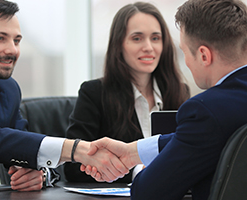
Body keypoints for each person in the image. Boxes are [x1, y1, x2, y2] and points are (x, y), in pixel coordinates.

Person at [0, 0, 128, 190]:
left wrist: (40, 174)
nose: (12, 50)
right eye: (0, 38)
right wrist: (75, 149)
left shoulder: (8, 90)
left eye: (16, 40)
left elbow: (19, 145)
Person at [82, 0, 247, 199]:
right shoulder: (226, 108)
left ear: (203, 55)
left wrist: (138, 167)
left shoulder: (206, 109)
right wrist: (132, 152)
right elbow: (206, 136)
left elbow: (148, 192)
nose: (185, 61)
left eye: (185, 52)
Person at [64, 2, 190, 183]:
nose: (148, 47)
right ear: (119, 45)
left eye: (155, 38)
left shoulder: (178, 92)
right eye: (137, 38)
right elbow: (73, 167)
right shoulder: (94, 93)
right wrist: (139, 170)